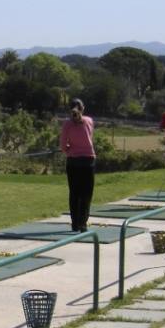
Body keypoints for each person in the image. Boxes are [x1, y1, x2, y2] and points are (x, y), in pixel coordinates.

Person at [59, 98, 96, 232]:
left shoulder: (67, 124)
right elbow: (89, 137)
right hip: (88, 161)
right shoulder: (89, 121)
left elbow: (63, 145)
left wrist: (70, 150)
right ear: (83, 108)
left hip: (73, 162)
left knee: (74, 193)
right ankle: (83, 223)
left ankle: (75, 223)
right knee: (86, 194)